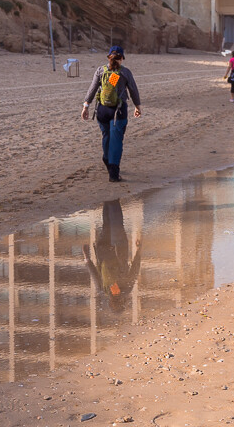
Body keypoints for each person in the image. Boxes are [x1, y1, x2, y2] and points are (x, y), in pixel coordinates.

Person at [81, 46, 142, 182]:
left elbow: (92, 88)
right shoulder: (124, 72)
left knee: (106, 136)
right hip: (118, 111)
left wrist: (86, 106)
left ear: (109, 57)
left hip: (102, 110)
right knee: (116, 141)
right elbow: (133, 90)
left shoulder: (101, 70)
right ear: (122, 58)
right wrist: (137, 107)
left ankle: (107, 158)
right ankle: (113, 173)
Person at [83, 199, 142, 312]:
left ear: (110, 303)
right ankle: (114, 201)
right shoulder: (126, 289)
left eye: (114, 304)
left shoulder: (103, 290)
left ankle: (107, 201)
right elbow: (135, 270)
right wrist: (138, 250)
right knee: (117, 225)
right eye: (119, 303)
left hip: (103, 252)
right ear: (123, 302)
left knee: (107, 224)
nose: (116, 301)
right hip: (119, 249)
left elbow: (94, 273)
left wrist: (87, 257)